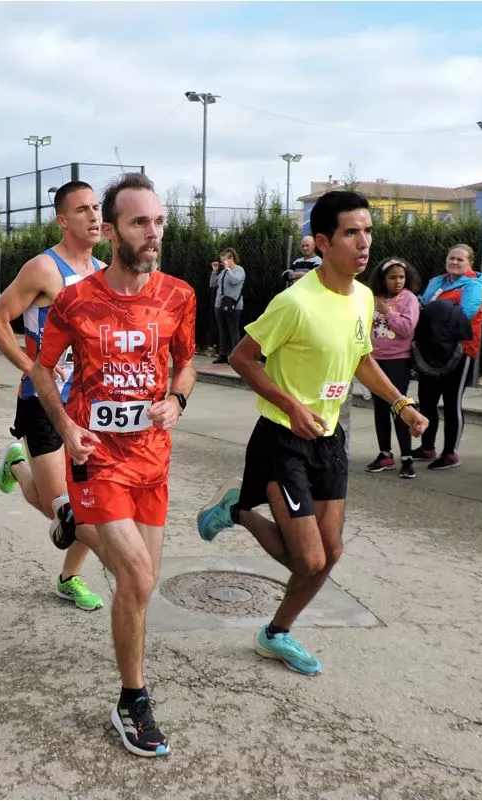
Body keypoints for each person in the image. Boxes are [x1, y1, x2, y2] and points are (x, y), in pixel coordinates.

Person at [197, 191, 428, 676]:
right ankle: (238, 509)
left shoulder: (365, 297)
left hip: (330, 438)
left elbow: (362, 360)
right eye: (351, 233)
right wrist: (291, 405)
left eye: (367, 231)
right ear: (323, 242)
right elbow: (242, 358)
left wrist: (402, 405)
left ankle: (275, 634)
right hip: (283, 438)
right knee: (307, 558)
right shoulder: (295, 302)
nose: (363, 243)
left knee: (331, 554)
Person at [31, 172, 195, 758]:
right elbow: (42, 368)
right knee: (140, 577)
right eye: (139, 223)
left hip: (153, 464)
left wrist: (176, 399)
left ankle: (129, 691)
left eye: (158, 221)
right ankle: (135, 698)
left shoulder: (179, 295)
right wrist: (67, 426)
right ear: (111, 230)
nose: (153, 233)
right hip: (96, 460)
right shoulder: (77, 299)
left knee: (137, 589)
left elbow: (187, 363)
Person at [0, 180, 107, 613]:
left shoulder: (103, 273)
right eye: (82, 210)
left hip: (90, 407)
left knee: (93, 502)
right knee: (64, 513)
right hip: (42, 402)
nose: (94, 216)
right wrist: (32, 367)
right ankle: (17, 466)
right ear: (62, 220)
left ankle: (69, 578)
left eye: (96, 208)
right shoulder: (44, 269)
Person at [413, 244, 482, 470]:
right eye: (451, 258)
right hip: (431, 350)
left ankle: (450, 453)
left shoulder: (473, 285)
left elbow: (465, 315)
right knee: (427, 400)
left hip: (459, 351)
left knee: (452, 402)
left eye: (459, 259)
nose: (454, 262)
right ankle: (427, 448)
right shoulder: (436, 281)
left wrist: (435, 313)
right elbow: (423, 305)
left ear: (470, 263)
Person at [365, 258, 421, 478]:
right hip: (376, 360)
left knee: (399, 407)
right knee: (380, 408)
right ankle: (385, 453)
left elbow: (407, 328)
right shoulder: (375, 298)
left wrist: (387, 312)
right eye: (392, 277)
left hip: (398, 360)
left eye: (401, 277)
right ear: (383, 279)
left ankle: (406, 457)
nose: (397, 281)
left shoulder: (408, 299)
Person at [209, 247, 245, 363]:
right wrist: (214, 271)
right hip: (219, 305)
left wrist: (228, 269)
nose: (222, 262)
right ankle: (223, 355)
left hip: (234, 306)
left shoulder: (239, 270)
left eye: (223, 259)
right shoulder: (224, 271)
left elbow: (235, 281)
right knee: (222, 330)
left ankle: (236, 357)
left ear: (231, 258)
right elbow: (213, 284)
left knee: (233, 330)